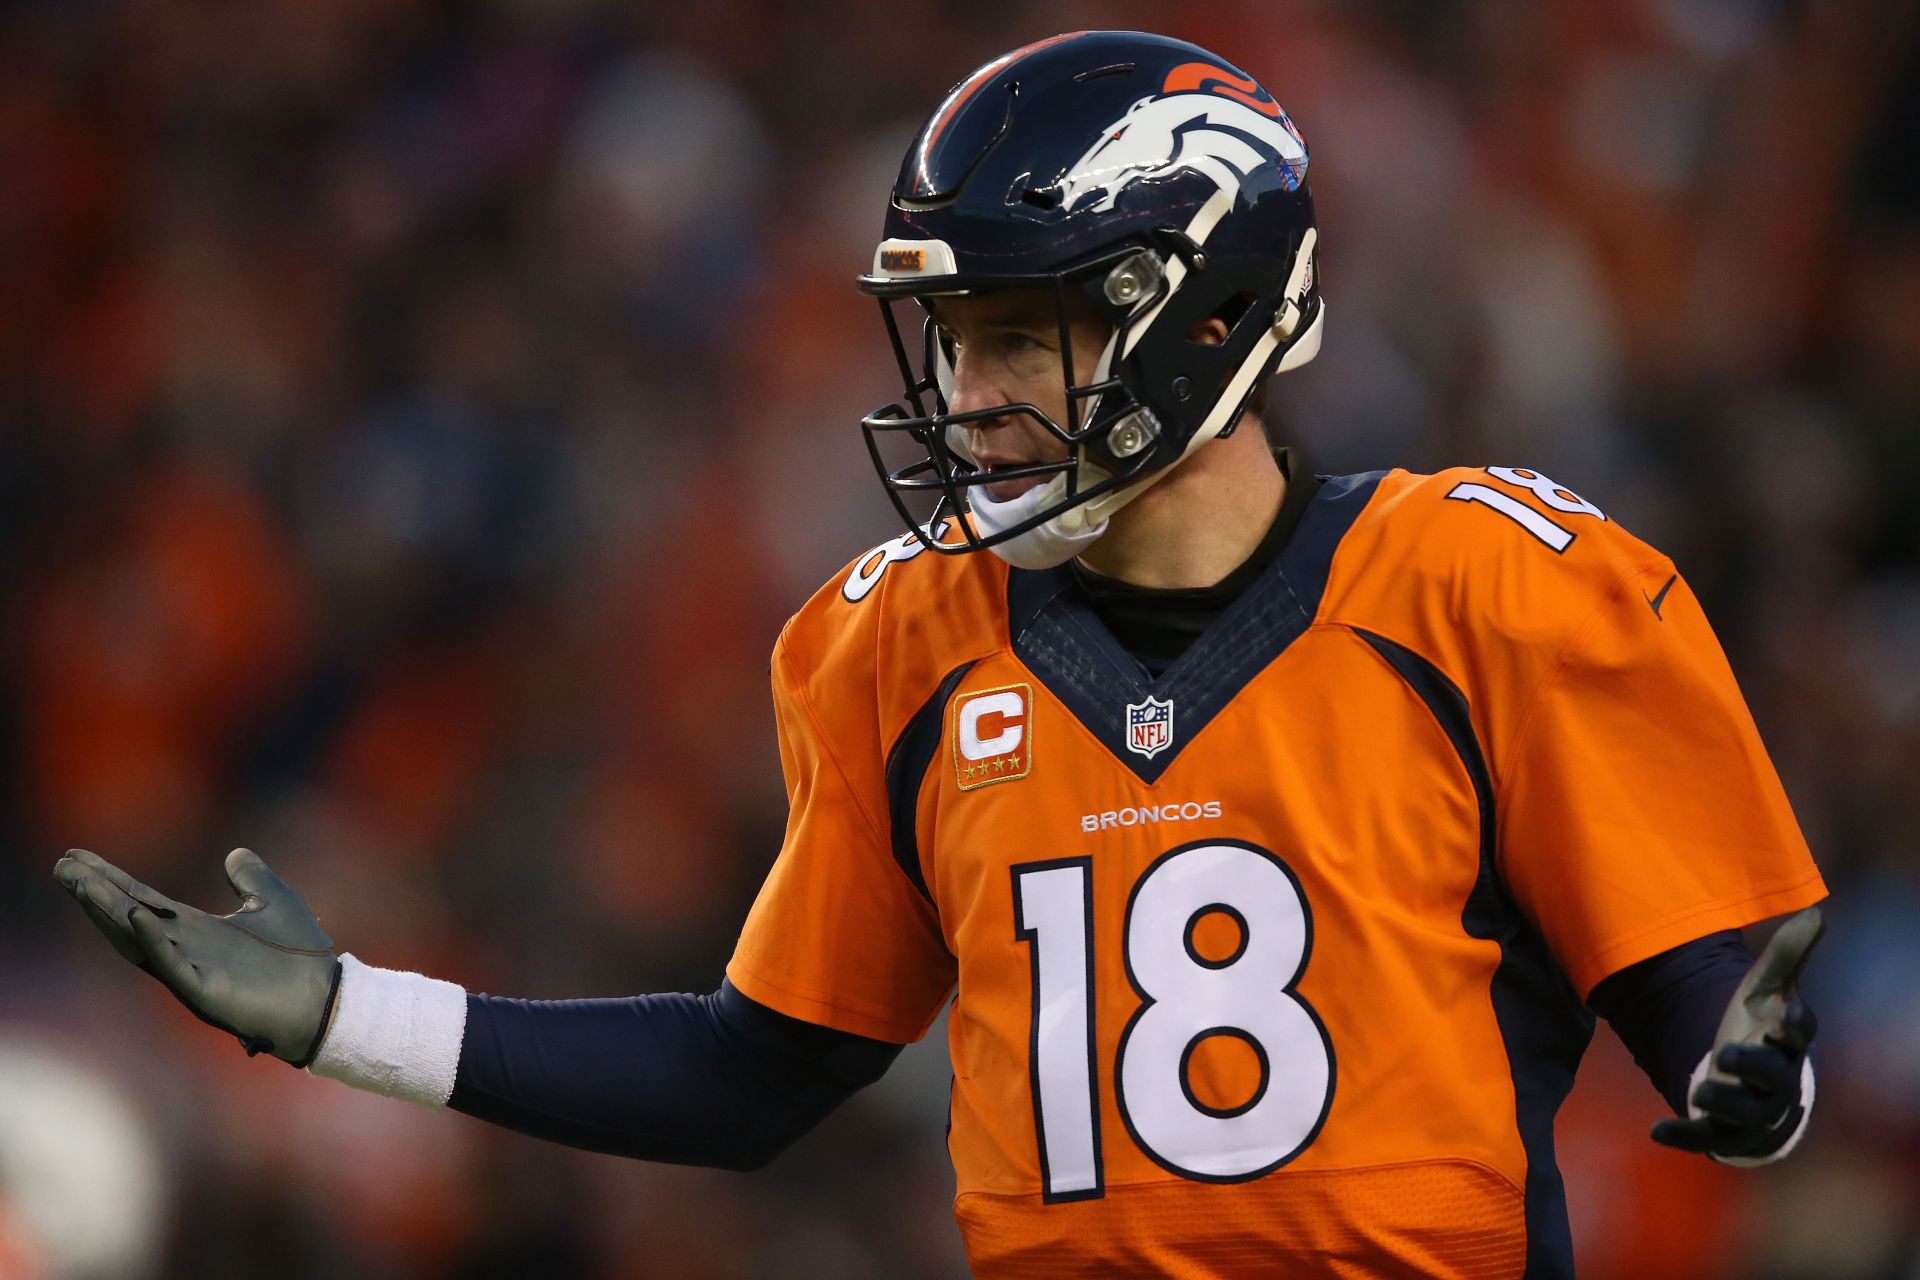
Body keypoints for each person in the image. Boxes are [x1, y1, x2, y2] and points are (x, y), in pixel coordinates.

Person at [56, 30, 1827, 1280]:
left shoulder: (1485, 584)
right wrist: (348, 1018)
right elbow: (761, 1070)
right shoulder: (896, 641)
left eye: (1028, 336)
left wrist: (1754, 1085)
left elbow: (1720, 1029)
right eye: (952, 342)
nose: (969, 400)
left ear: (1208, 311)